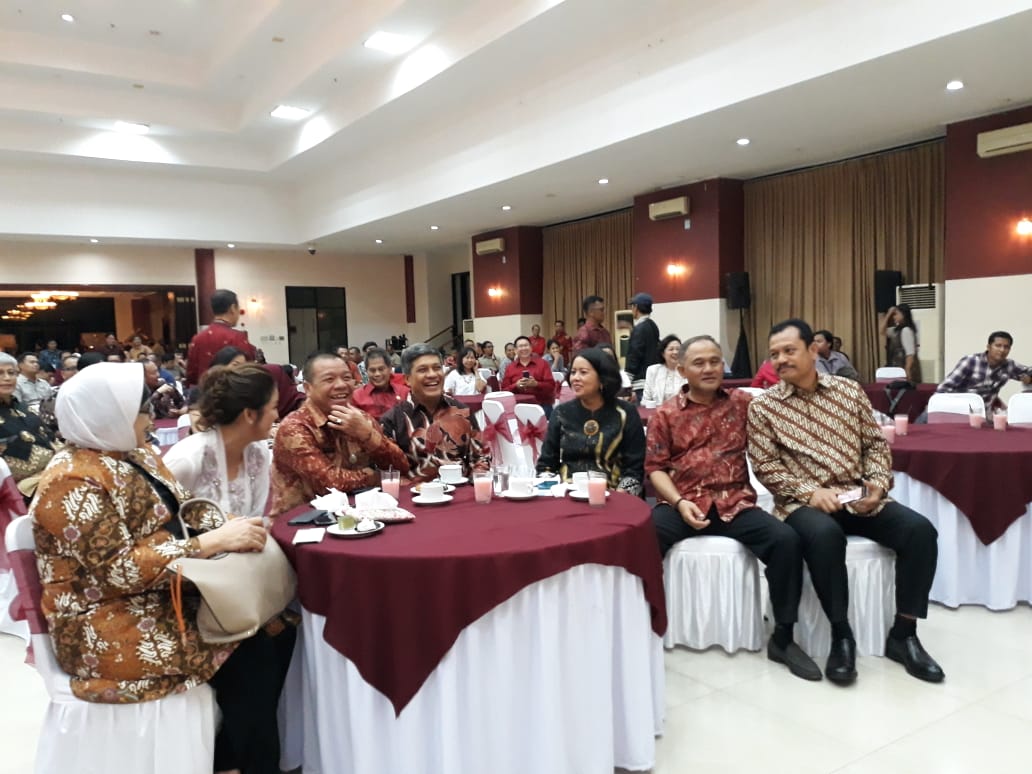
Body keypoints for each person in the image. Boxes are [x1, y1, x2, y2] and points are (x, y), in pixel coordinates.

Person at [31, 362, 295, 774]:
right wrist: (208, 543)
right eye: (140, 410)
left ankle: (233, 759)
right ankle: (242, 763)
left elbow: (182, 508)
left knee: (279, 631)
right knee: (252, 650)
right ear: (108, 416)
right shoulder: (72, 480)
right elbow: (116, 571)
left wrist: (230, 526)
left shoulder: (134, 454)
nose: (151, 418)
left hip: (159, 592)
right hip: (105, 622)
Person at [748, 319, 943, 685]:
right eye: (774, 354)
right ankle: (842, 634)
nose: (780, 360)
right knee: (824, 535)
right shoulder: (764, 408)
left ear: (813, 350)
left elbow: (874, 443)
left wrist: (878, 486)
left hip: (857, 495)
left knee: (920, 531)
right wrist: (810, 492)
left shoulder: (848, 392)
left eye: (789, 351)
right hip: (801, 504)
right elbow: (766, 467)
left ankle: (904, 634)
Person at [646, 336, 818, 680]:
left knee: (786, 541)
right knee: (644, 537)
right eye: (699, 363)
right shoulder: (665, 413)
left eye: (715, 361)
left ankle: (783, 636)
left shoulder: (745, 404)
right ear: (682, 370)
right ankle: (645, 626)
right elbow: (655, 468)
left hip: (733, 503)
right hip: (683, 502)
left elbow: (789, 401)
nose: (709, 368)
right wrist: (679, 503)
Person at [271, 353, 408, 515]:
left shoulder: (360, 418)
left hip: (359, 515)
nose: (341, 385)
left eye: (346, 378)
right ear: (308, 388)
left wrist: (367, 435)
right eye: (329, 380)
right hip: (303, 522)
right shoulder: (295, 427)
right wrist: (375, 477)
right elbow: (330, 483)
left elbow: (400, 467)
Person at [165, 364, 276, 518]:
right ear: (249, 414)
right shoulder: (187, 460)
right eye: (274, 407)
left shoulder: (258, 451)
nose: (277, 416)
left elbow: (254, 519)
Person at [535, 347, 644, 496]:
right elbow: (546, 465)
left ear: (602, 378)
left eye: (583, 372)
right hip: (568, 494)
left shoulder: (625, 413)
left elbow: (634, 469)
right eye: (573, 372)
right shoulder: (561, 413)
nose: (575, 378)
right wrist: (549, 491)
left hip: (614, 495)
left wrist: (621, 496)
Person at [381, 344, 490, 483]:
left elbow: (480, 457)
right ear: (407, 379)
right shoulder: (393, 420)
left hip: (461, 496)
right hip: (414, 498)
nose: (432, 375)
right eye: (422, 370)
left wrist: (477, 479)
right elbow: (388, 474)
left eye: (437, 368)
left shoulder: (461, 411)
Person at [0, 352, 55, 496]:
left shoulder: (23, 407)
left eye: (11, 373)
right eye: (0, 373)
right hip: (14, 493)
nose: (7, 378)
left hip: (51, 476)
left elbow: (50, 438)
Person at [936, 331, 1031, 414]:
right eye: (998, 346)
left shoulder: (1009, 365)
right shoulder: (970, 361)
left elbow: (1028, 371)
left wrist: (1029, 379)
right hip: (958, 410)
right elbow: (944, 388)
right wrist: (937, 407)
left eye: (1006, 347)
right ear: (989, 347)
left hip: (983, 413)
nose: (1002, 350)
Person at [186, 289, 258, 386]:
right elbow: (248, 371)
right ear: (233, 308)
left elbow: (191, 375)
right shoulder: (237, 337)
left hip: (205, 394)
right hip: (231, 394)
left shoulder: (197, 338)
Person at [500, 335, 555, 412]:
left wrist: (536, 384)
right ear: (515, 350)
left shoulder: (543, 364)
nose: (523, 348)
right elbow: (504, 391)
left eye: (526, 345)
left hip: (541, 405)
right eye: (520, 346)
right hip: (518, 407)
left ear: (531, 348)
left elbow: (551, 387)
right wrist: (516, 385)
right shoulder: (510, 367)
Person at [351, 348, 410, 420]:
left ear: (390, 369)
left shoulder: (404, 392)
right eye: (372, 370)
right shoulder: (357, 396)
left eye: (381, 369)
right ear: (366, 371)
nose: (377, 374)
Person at [624, 292, 661, 399]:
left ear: (636, 307)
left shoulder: (639, 329)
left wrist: (627, 383)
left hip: (641, 383)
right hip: (653, 380)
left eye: (632, 306)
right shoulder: (653, 326)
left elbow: (634, 356)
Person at [880, 304, 921, 383]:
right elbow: (882, 331)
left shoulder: (906, 330)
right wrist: (888, 314)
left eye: (896, 314)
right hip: (898, 367)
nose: (894, 317)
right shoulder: (896, 330)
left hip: (904, 368)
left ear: (904, 315)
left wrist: (907, 371)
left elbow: (910, 354)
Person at [643, 334, 686, 404]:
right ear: (663, 353)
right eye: (671, 349)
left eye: (678, 349)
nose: (675, 352)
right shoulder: (653, 370)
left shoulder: (686, 370)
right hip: (657, 412)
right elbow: (646, 399)